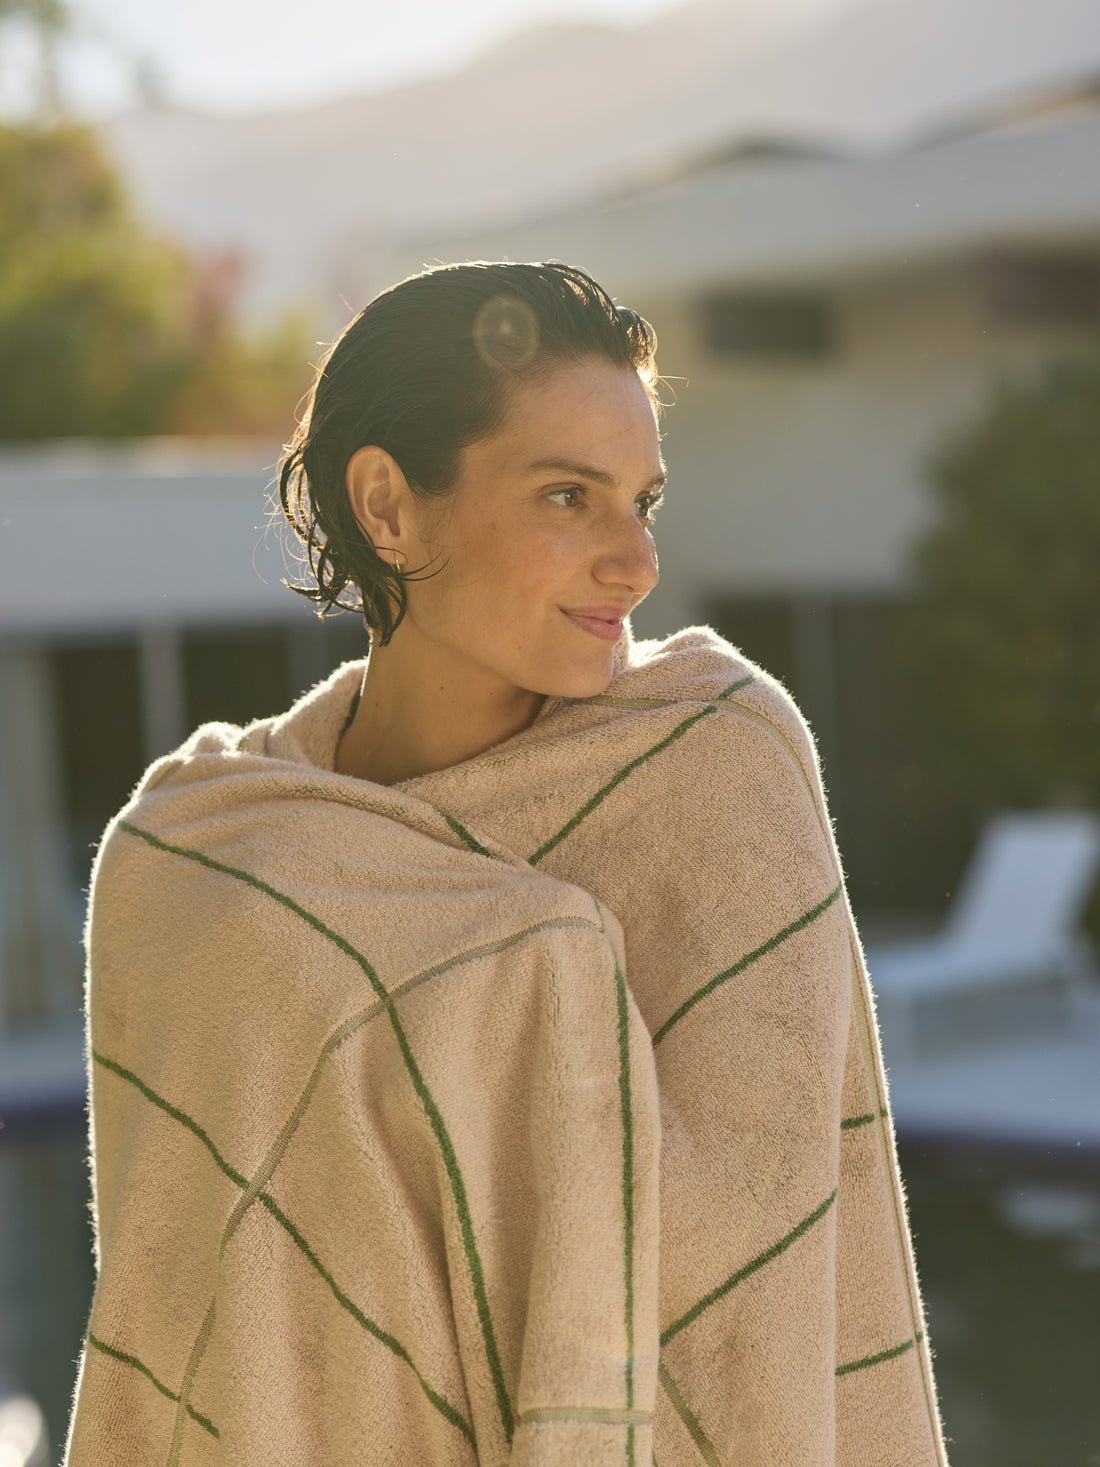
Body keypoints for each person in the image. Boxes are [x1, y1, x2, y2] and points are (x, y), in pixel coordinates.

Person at [65, 260, 952, 1465]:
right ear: (386, 507)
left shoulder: (715, 769)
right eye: (565, 497)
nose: (633, 562)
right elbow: (193, 1299)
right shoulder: (202, 859)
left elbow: (774, 1267)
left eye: (643, 500)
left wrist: (524, 979)